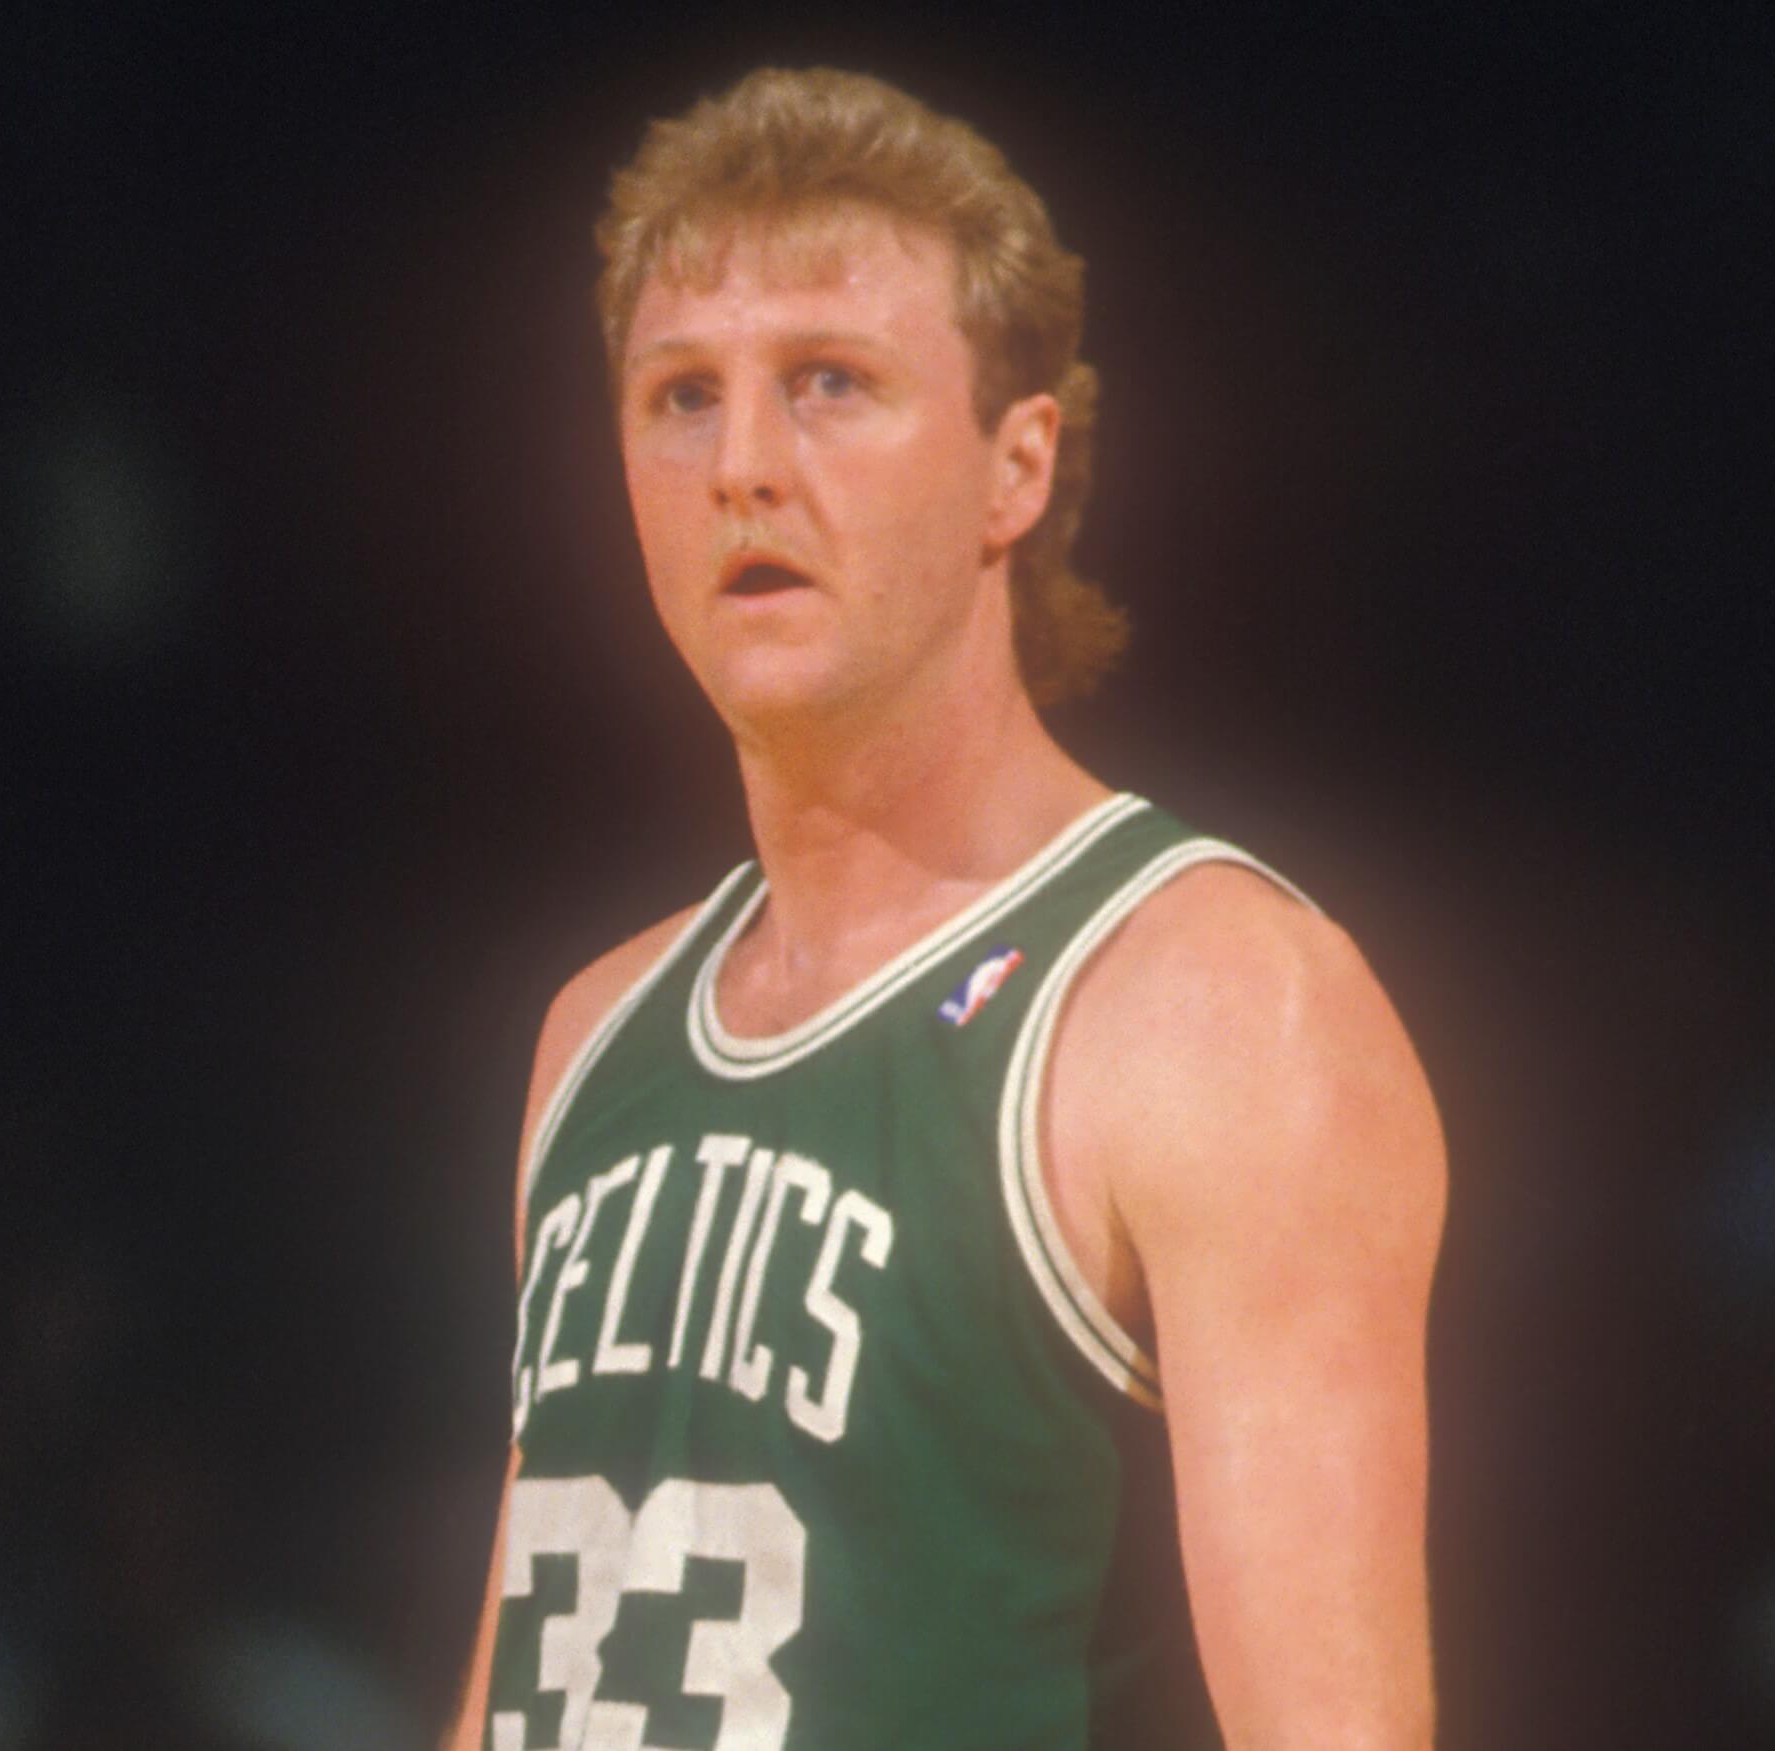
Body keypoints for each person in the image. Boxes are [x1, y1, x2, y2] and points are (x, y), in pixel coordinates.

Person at [444, 66, 1444, 1750]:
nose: (744, 463)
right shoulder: (590, 1036)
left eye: (829, 383)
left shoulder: (1215, 1003)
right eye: (680, 394)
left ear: (1017, 466)